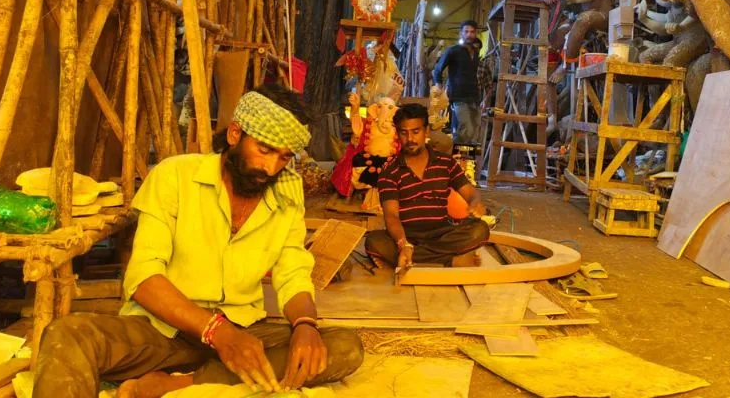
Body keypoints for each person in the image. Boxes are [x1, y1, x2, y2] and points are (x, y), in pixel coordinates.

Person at [34, 84, 364, 398]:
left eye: (283, 157)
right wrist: (216, 333)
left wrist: (306, 325)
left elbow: (293, 275)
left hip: (242, 330)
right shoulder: (175, 176)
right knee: (67, 335)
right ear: (235, 134)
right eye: (263, 150)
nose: (270, 167)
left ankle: (175, 385)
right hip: (162, 330)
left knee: (344, 347)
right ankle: (211, 377)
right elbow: (143, 278)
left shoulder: (286, 197)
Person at [365, 103, 489, 270]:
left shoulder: (446, 163)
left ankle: (416, 258)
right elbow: (391, 216)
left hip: (443, 234)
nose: (410, 139)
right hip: (407, 235)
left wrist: (475, 202)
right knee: (373, 242)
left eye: (416, 132)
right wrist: (404, 245)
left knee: (480, 230)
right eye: (404, 133)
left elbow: (470, 192)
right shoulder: (390, 171)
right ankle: (448, 259)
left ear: (426, 132)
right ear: (398, 134)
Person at [433, 20, 482, 147]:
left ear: (475, 34)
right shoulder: (453, 51)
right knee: (464, 131)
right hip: (458, 97)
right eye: (466, 32)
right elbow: (438, 69)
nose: (469, 35)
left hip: (474, 97)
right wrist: (439, 85)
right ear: (461, 33)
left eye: (472, 32)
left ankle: (469, 165)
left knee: (475, 134)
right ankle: (456, 160)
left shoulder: (475, 53)